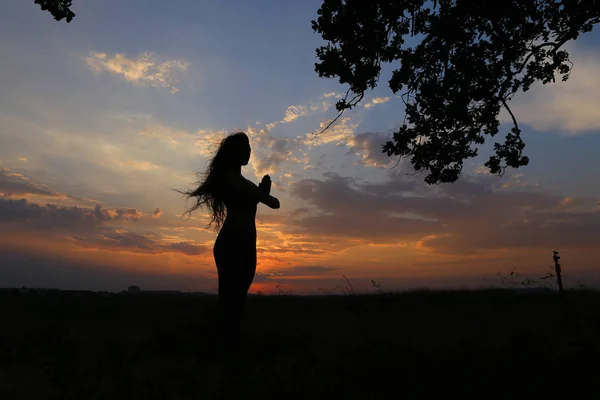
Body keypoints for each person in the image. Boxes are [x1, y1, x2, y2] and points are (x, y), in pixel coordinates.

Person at [178, 131, 280, 344]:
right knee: (230, 297)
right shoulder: (231, 179)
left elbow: (267, 201)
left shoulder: (241, 180)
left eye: (250, 149)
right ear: (235, 152)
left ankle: (227, 341)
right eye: (245, 149)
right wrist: (263, 194)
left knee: (236, 296)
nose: (249, 153)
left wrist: (261, 193)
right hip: (235, 241)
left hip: (244, 239)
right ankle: (224, 343)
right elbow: (273, 202)